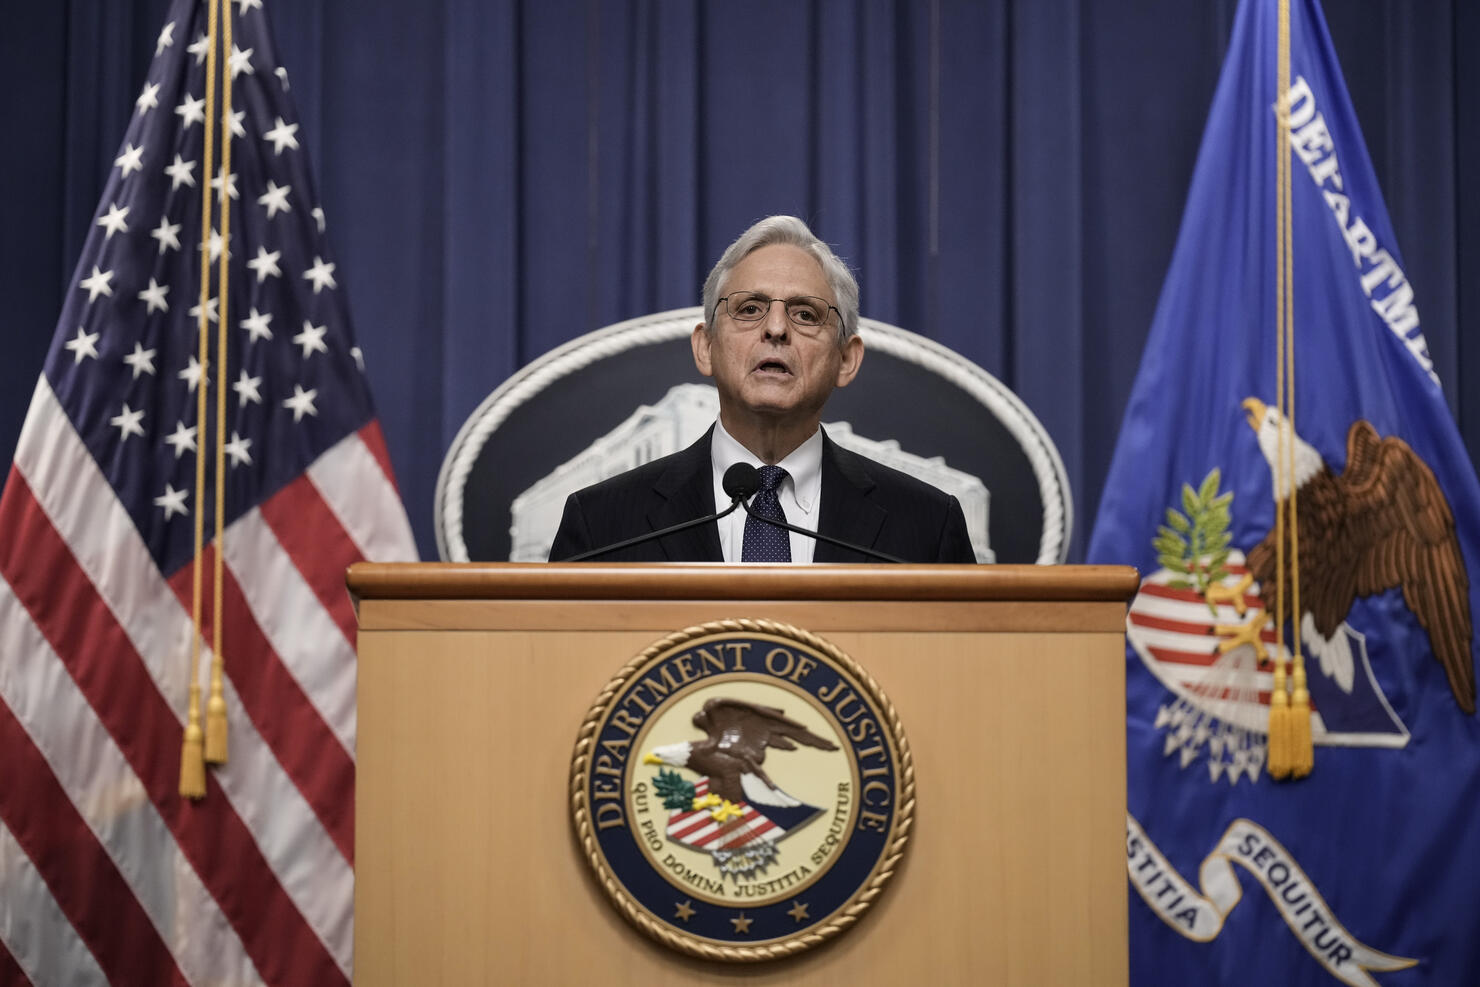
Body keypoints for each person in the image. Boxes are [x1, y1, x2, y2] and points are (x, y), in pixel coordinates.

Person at [548, 215, 977, 563]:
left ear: (846, 359)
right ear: (706, 347)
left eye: (806, 314)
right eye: (749, 309)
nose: (775, 329)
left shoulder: (927, 528)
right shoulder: (602, 527)